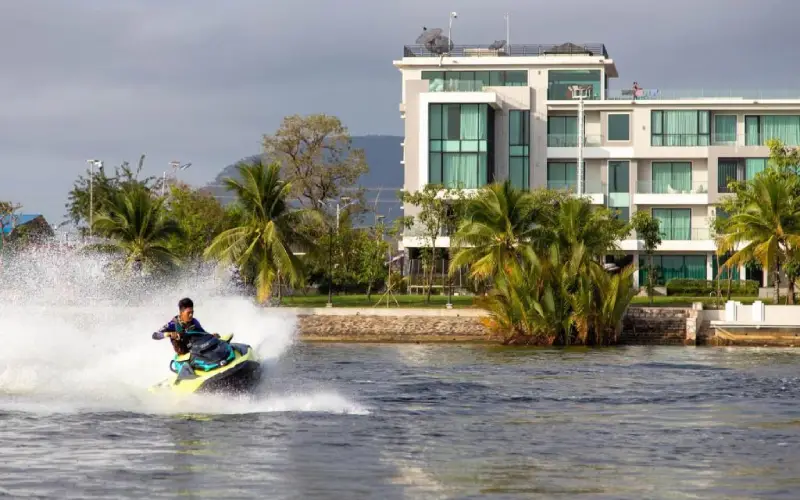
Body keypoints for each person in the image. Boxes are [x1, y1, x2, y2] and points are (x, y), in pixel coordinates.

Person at [152, 297, 234, 377]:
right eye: (188, 313)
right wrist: (167, 334)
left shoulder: (194, 321)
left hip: (197, 350)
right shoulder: (172, 324)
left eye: (192, 312)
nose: (191, 315)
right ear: (181, 312)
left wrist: (211, 336)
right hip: (184, 354)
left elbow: (202, 333)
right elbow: (155, 335)